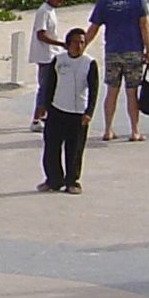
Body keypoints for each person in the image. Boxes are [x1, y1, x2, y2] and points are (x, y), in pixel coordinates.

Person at [82, 0, 149, 142]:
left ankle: (108, 129)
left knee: (111, 91)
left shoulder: (104, 2)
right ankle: (135, 131)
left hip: (113, 51)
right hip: (133, 50)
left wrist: (81, 47)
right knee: (131, 92)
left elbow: (93, 29)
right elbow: (144, 26)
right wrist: (148, 50)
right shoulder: (137, 0)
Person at [39, 28, 98, 194]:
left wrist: (89, 112)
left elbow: (94, 90)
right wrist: (45, 106)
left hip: (78, 112)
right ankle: (53, 180)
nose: (78, 46)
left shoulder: (89, 63)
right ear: (67, 44)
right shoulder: (58, 60)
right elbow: (49, 84)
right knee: (51, 147)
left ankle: (72, 181)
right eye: (75, 42)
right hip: (58, 109)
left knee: (75, 149)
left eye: (82, 42)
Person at [29, 0, 67, 132]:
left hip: (52, 54)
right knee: (44, 88)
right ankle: (36, 119)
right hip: (45, 55)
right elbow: (41, 34)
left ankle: (44, 115)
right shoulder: (43, 11)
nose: (60, 2)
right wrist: (60, 43)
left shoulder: (51, 10)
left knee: (50, 87)